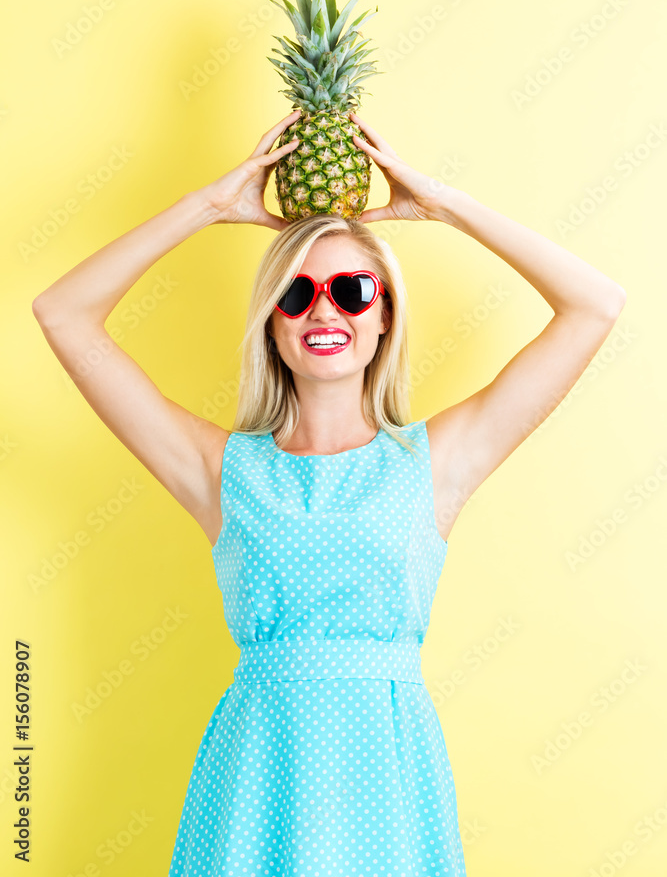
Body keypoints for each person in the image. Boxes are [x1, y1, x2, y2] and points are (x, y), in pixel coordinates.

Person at [32, 108, 626, 875]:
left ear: (384, 318)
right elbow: (63, 314)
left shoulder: (434, 462)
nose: (322, 310)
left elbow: (594, 306)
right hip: (257, 775)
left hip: (386, 773)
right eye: (295, 293)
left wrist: (441, 203)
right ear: (272, 326)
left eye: (351, 290)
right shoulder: (221, 471)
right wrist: (210, 207)